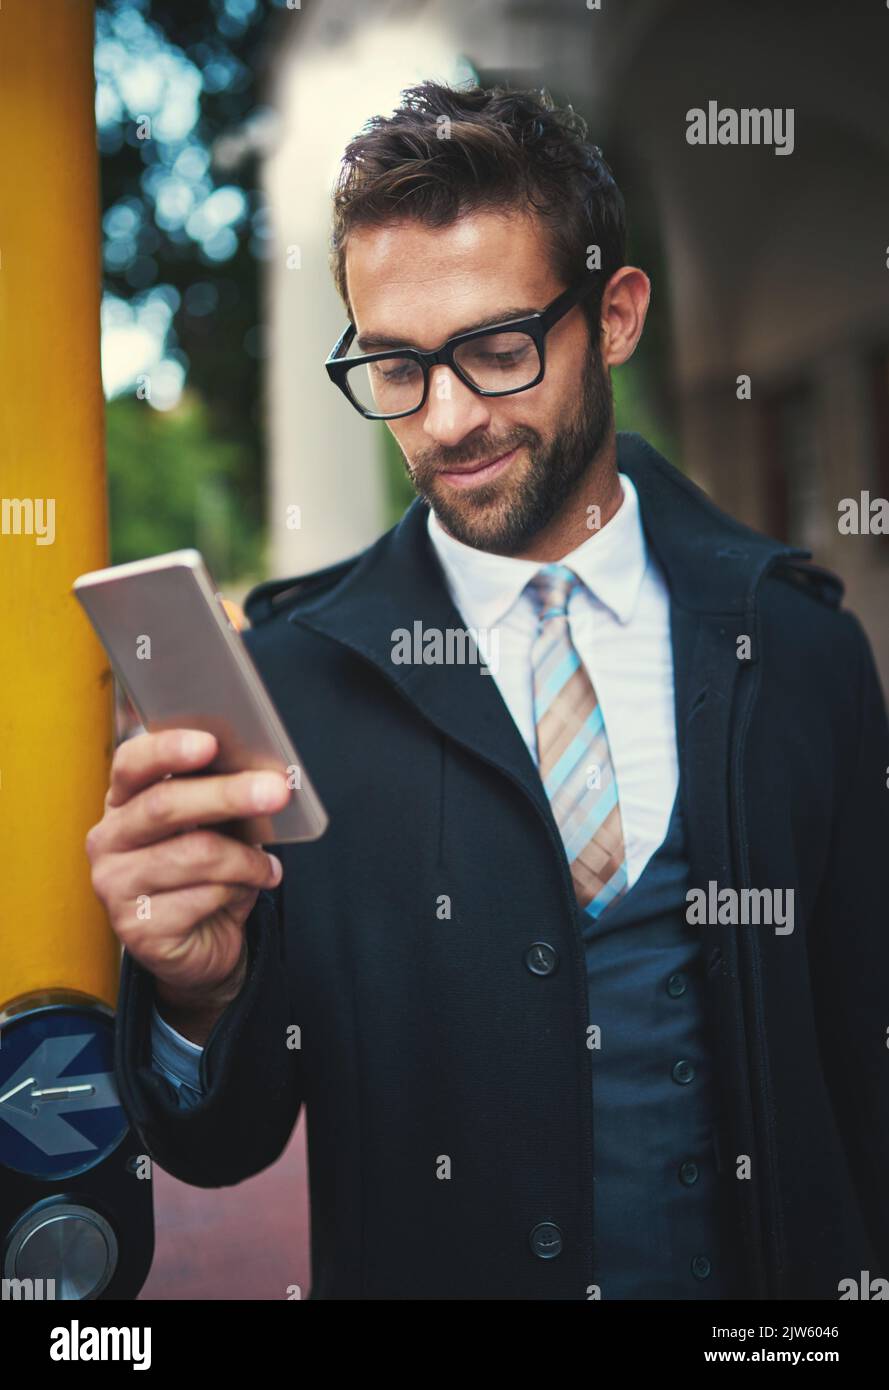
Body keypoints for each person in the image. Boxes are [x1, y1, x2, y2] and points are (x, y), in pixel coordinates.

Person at [89, 81, 889, 1300]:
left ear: (613, 315)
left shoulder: (798, 645)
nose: (448, 419)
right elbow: (223, 1140)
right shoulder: (291, 688)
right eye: (396, 366)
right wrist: (200, 994)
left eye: (498, 349)